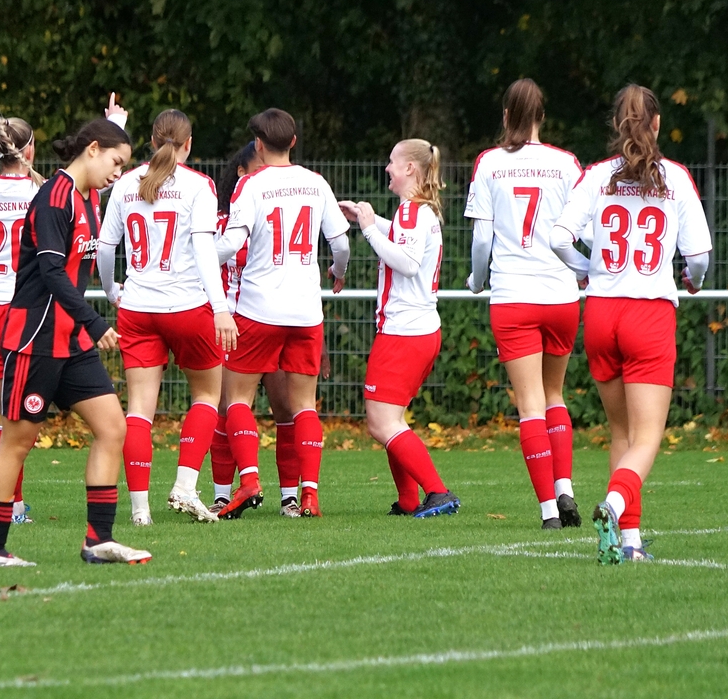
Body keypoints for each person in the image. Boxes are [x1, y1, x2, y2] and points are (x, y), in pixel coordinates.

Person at [0, 57, 127, 525]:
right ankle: (6, 509)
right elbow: (93, 187)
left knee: (13, 420)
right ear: (31, 149)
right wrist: (114, 123)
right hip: (35, 312)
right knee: (18, 426)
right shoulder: (51, 193)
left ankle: (6, 503)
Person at [0, 116, 151, 566]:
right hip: (36, 339)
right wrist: (93, 322)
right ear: (92, 150)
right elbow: (52, 272)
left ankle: (98, 541)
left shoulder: (87, 196)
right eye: (115, 161)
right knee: (17, 441)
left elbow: (98, 157)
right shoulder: (54, 197)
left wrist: (114, 125)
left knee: (113, 428)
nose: (118, 173)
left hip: (71, 343)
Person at [551, 84, 711, 563]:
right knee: (646, 438)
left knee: (621, 432)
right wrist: (693, 279)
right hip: (648, 312)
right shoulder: (675, 177)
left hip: (602, 312)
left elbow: (559, 237)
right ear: (657, 124)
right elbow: (699, 256)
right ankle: (615, 504)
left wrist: (586, 270)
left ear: (616, 124)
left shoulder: (597, 175)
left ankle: (629, 541)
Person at [97, 109, 238, 526]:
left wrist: (112, 292)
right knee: (207, 395)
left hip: (138, 307)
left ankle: (140, 510)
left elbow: (105, 248)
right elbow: (204, 251)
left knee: (139, 410)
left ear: (151, 140)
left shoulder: (126, 183)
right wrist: (221, 308)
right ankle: (185, 486)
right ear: (188, 144)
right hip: (187, 306)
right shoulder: (198, 185)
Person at [463, 78, 588, 529]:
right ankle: (565, 487)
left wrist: (477, 280)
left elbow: (482, 239)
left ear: (505, 115)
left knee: (529, 404)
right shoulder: (566, 163)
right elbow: (584, 231)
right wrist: (582, 270)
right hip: (560, 296)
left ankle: (549, 510)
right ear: (542, 117)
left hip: (514, 296)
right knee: (555, 394)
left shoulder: (490, 163)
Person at [215, 108, 350, 518]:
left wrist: (199, 258)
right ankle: (308, 495)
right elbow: (341, 244)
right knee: (304, 405)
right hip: (306, 311)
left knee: (237, 398)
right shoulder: (316, 182)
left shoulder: (251, 185)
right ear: (293, 142)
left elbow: (229, 244)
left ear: (258, 144)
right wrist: (337, 272)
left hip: (258, 308)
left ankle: (249, 481)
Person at [339, 140, 460, 518]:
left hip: (404, 332)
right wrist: (367, 218)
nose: (387, 168)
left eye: (392, 162)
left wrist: (369, 231)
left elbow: (407, 262)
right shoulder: (420, 210)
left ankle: (438, 492)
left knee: (381, 423)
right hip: (419, 330)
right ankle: (409, 500)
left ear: (410, 168)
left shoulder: (411, 209)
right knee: (392, 420)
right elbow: (405, 240)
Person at [208, 142, 307, 519]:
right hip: (232, 324)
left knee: (286, 408)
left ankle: (290, 497)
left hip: (274, 320)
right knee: (225, 408)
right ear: (241, 173)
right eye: (259, 167)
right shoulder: (220, 223)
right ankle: (222, 494)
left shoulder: (279, 213)